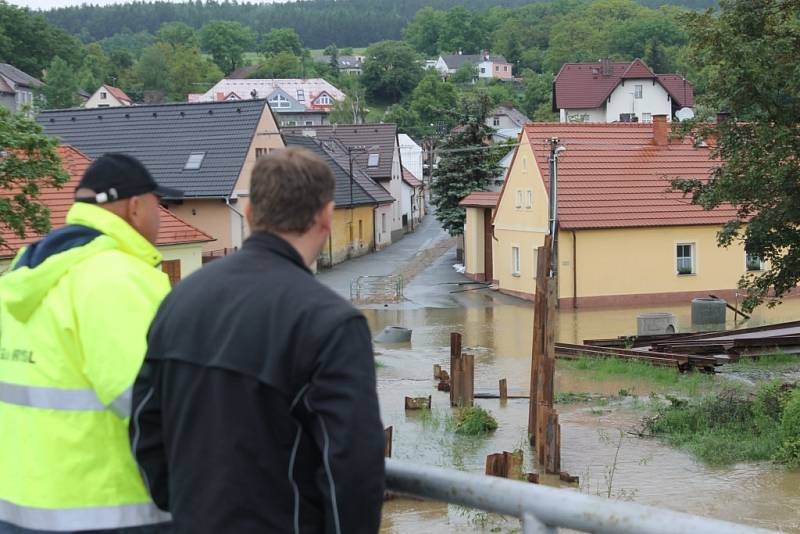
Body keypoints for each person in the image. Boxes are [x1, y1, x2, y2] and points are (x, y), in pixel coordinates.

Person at [130, 147, 385, 534]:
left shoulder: (178, 300)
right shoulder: (332, 323)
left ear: (249, 215)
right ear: (327, 217)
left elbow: (144, 428)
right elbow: (351, 469)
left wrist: (182, 504)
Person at [0, 154, 178, 533]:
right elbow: (152, 404)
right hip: (110, 509)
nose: (161, 217)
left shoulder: (24, 274)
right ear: (134, 208)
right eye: (156, 205)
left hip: (20, 508)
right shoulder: (117, 279)